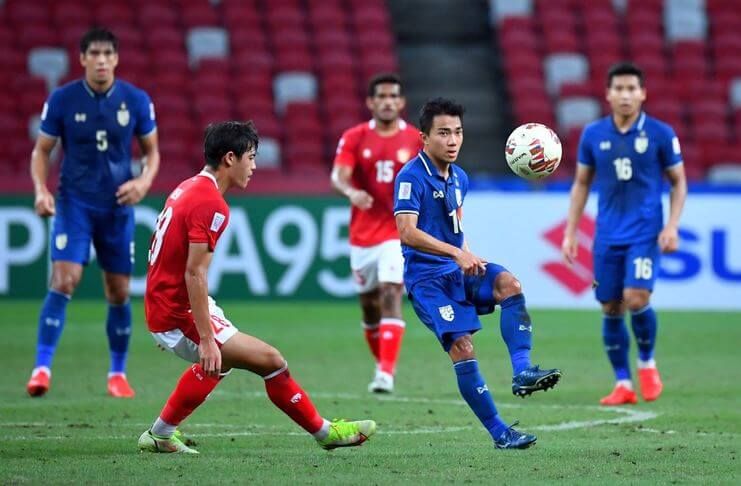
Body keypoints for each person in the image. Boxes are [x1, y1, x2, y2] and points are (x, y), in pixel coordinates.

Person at [138, 121, 376, 454]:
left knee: (222, 361)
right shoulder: (211, 204)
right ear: (230, 158)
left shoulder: (189, 187)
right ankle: (326, 434)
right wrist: (207, 339)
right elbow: (194, 273)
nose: (254, 166)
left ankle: (160, 434)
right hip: (177, 312)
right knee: (270, 360)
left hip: (169, 305)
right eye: (251, 157)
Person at [393, 98, 561, 449]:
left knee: (508, 284)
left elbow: (454, 226)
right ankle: (501, 432)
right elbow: (407, 232)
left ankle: (523, 371)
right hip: (428, 282)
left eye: (457, 132)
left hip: (457, 268)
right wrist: (457, 253)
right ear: (424, 138)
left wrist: (466, 251)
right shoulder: (410, 177)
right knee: (463, 348)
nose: (452, 140)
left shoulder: (460, 178)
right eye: (443, 133)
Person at [26, 27, 160, 398]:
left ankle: (117, 374)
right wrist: (41, 189)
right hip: (75, 203)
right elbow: (42, 151)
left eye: (107, 54)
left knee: (118, 291)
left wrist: (144, 183)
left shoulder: (135, 100)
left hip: (117, 206)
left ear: (116, 59)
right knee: (64, 279)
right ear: (82, 59)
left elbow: (152, 153)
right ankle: (41, 368)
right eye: (94, 54)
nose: (101, 60)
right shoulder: (63, 100)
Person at [561, 62, 687, 406]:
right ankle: (622, 384)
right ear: (608, 94)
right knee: (610, 306)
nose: (625, 95)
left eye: (632, 88)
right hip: (606, 234)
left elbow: (678, 182)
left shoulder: (661, 134)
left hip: (645, 232)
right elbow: (582, 183)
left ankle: (647, 364)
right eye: (619, 89)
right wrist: (571, 232)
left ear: (643, 93)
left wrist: (672, 225)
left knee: (636, 298)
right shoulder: (593, 134)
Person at [330, 73, 423, 393]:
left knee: (390, 292)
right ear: (370, 102)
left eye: (393, 96)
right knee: (369, 305)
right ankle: (383, 363)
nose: (387, 101)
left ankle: (385, 372)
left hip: (398, 232)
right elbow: (339, 176)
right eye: (381, 97)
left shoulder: (415, 139)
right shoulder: (355, 137)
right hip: (363, 234)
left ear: (401, 102)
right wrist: (351, 192)